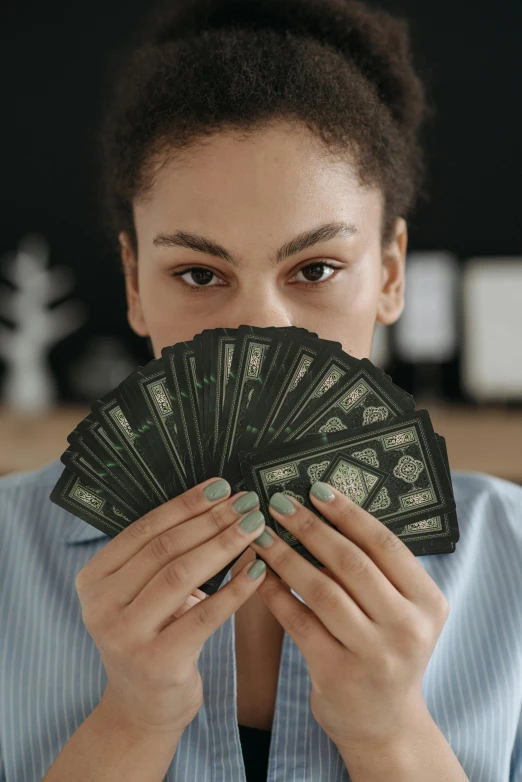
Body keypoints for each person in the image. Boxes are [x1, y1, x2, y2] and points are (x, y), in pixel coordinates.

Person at [1, 0, 521, 780]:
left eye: (314, 269)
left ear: (388, 272)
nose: (261, 326)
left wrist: (389, 734)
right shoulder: (8, 554)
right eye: (199, 274)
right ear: (134, 284)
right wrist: (135, 717)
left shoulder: (511, 555)